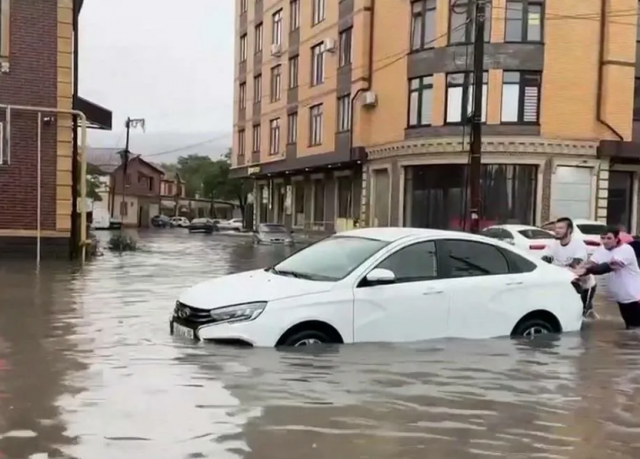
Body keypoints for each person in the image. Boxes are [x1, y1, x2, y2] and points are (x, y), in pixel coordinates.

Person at [572, 226, 640, 329]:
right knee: (630, 329)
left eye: (609, 238)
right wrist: (576, 271)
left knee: (635, 328)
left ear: (616, 239)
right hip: (622, 297)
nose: (605, 241)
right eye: (602, 238)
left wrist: (586, 271)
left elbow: (609, 267)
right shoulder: (602, 249)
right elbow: (591, 262)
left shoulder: (626, 250)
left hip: (635, 297)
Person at [541, 217, 596, 317]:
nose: (557, 230)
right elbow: (544, 259)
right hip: (564, 282)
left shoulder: (578, 244)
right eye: (556, 228)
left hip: (583, 286)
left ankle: (588, 313)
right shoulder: (553, 243)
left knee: (582, 313)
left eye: (561, 228)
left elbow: (576, 264)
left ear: (569, 230)